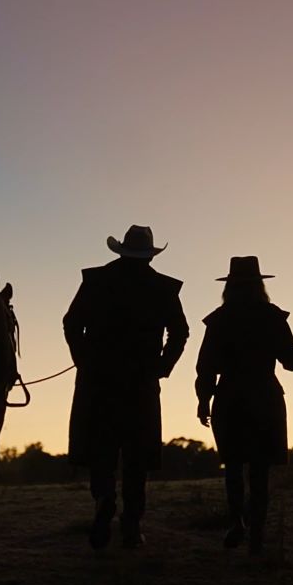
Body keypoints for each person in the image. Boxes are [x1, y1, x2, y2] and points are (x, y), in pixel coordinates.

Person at [64, 225, 189, 549]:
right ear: (149, 254)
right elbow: (180, 332)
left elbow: (71, 322)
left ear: (121, 250)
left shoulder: (95, 281)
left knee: (100, 450)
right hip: (142, 382)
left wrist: (83, 360)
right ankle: (132, 524)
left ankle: (104, 500)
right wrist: (163, 366)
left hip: (98, 381)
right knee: (138, 455)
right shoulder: (163, 287)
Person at [195, 256, 293, 554]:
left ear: (229, 287)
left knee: (233, 466)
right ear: (260, 286)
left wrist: (203, 399)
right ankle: (256, 534)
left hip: (229, 396)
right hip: (264, 396)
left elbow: (205, 366)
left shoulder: (219, 319)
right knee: (260, 472)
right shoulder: (271, 317)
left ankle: (237, 523)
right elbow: (290, 360)